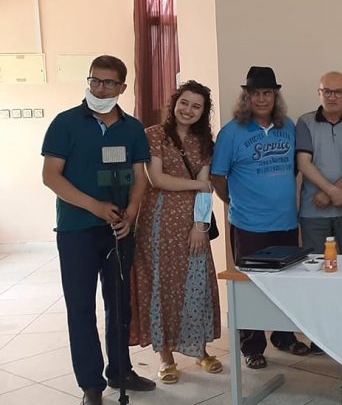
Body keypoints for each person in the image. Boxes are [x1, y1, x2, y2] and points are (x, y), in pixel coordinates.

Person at [41, 55, 157, 405]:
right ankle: (90, 384)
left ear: (122, 87)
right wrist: (94, 206)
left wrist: (132, 213)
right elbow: (51, 176)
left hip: (119, 231)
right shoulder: (66, 123)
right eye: (95, 81)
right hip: (77, 231)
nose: (100, 89)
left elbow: (140, 177)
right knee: (80, 307)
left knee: (120, 306)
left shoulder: (133, 128)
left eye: (108, 83)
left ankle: (120, 371)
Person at [211, 66, 310, 369]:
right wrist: (233, 201)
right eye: (256, 93)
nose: (262, 99)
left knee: (285, 285)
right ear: (247, 97)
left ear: (275, 97)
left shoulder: (288, 127)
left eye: (268, 93)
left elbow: (295, 167)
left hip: (285, 222)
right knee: (250, 286)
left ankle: (284, 337)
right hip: (248, 225)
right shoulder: (231, 133)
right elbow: (217, 176)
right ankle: (252, 346)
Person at [130, 80, 222, 384]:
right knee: (160, 287)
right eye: (184, 103)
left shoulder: (205, 142)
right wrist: (198, 184)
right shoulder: (154, 135)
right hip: (157, 225)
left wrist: (200, 226)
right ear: (175, 103)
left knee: (196, 285)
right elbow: (157, 179)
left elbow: (206, 190)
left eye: (196, 106)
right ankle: (166, 359)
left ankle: (200, 351)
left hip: (192, 225)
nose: (188, 110)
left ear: (203, 111)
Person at [296, 71, 342, 254]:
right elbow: (303, 163)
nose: (332, 97)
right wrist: (333, 192)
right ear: (318, 93)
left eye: (338, 92)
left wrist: (332, 193)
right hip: (314, 209)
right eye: (326, 91)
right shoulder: (305, 122)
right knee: (315, 265)